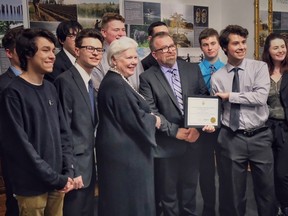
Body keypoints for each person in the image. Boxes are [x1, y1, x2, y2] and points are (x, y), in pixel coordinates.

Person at [0, 28, 74, 216]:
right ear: (28, 54)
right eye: (45, 50)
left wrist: (68, 171)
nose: (52, 56)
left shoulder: (50, 88)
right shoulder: (12, 93)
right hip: (32, 188)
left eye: (53, 50)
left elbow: (63, 133)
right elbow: (21, 147)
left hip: (57, 184)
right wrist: (55, 178)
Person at [139, 32, 214, 216]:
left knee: (189, 191)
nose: (170, 50)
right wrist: (175, 131)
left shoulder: (191, 69)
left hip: (193, 142)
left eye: (172, 46)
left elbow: (203, 97)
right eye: (163, 48)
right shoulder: (147, 77)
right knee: (169, 195)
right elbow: (151, 112)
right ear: (155, 54)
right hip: (167, 145)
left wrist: (197, 128)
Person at [210, 25, 276, 216]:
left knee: (266, 192)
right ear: (225, 48)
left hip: (260, 137)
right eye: (235, 43)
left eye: (243, 42)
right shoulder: (217, 77)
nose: (241, 47)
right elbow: (217, 110)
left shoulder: (259, 67)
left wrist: (230, 95)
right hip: (232, 138)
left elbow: (260, 98)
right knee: (234, 193)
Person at [96, 36, 161, 216]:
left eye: (135, 57)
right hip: (126, 160)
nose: (134, 62)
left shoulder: (117, 80)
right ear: (114, 60)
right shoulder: (117, 85)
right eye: (129, 58)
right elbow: (136, 121)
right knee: (128, 204)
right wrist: (154, 120)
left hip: (125, 156)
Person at [54, 28, 103, 216]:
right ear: (77, 50)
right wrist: (71, 169)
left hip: (89, 166)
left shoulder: (90, 83)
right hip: (75, 169)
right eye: (90, 48)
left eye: (99, 50)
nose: (96, 53)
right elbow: (63, 129)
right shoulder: (65, 81)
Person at [197, 27, 224, 216]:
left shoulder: (228, 69)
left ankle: (226, 209)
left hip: (224, 128)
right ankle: (208, 210)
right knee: (206, 172)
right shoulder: (194, 70)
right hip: (203, 128)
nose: (210, 48)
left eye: (213, 43)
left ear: (219, 45)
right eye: (205, 45)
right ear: (201, 47)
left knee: (225, 172)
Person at [262, 33, 288, 216]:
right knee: (267, 173)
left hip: (285, 128)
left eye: (283, 46)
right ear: (268, 51)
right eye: (276, 47)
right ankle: (273, 207)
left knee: (282, 173)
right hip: (265, 128)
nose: (281, 50)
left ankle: (285, 205)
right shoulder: (261, 72)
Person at [0, 27, 23, 216]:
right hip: (16, 160)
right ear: (9, 53)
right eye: (22, 48)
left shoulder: (44, 81)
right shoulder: (4, 85)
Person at [91, 12, 144, 91]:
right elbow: (99, 90)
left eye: (123, 30)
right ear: (104, 32)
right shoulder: (97, 57)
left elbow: (142, 82)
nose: (121, 34)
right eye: (116, 30)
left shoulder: (133, 53)